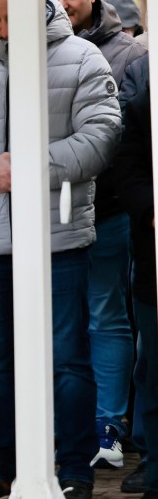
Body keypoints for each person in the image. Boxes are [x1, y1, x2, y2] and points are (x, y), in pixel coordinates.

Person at [0, 0, 121, 499]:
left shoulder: (84, 58)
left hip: (61, 237)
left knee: (68, 358)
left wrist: (30, 167)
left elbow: (102, 136)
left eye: (7, 18)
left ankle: (74, 470)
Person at [45, 0, 147, 469]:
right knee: (55, 320)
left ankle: (110, 424)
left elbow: (127, 139)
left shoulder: (128, 53)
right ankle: (63, 424)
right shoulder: (23, 47)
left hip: (107, 207)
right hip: (46, 210)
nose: (61, 3)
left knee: (105, 315)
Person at [109, 56, 158, 499]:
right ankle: (155, 467)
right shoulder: (143, 83)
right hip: (152, 254)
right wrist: (151, 213)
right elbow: (127, 163)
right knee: (153, 367)